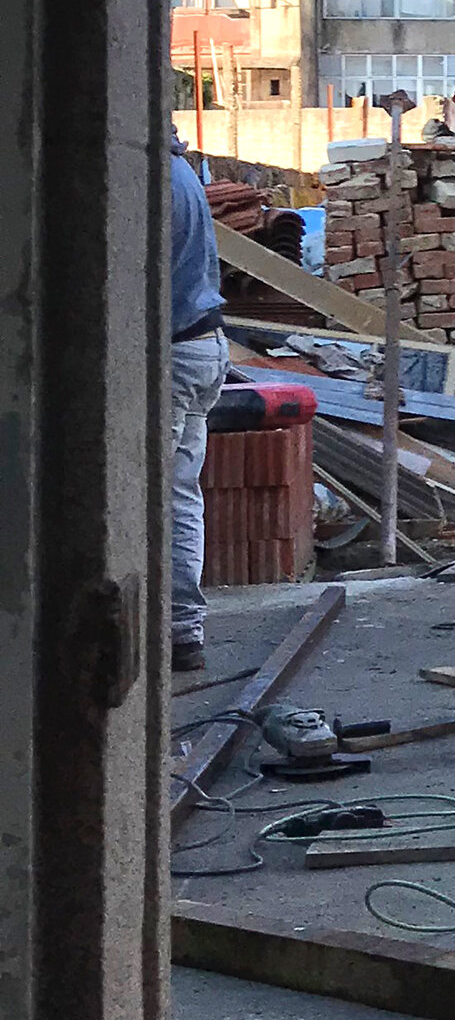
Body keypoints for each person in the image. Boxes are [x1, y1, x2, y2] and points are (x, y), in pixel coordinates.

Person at [169, 133, 226, 671]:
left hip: (172, 353)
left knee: (147, 496)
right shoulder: (182, 172)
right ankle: (183, 631)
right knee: (180, 495)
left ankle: (165, 628)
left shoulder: (145, 178)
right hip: (204, 345)